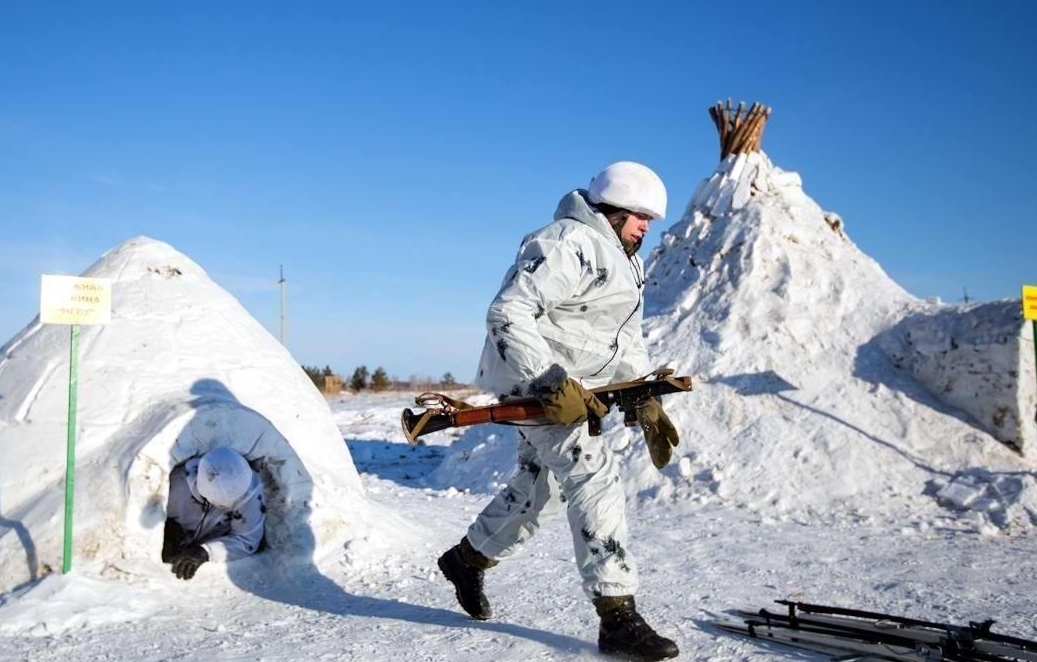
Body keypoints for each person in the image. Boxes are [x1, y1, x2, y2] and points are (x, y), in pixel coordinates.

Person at [437, 162, 681, 661]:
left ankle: (467, 560)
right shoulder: (567, 242)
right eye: (640, 215)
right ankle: (617, 615)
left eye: (650, 219)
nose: (646, 227)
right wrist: (549, 381)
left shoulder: (623, 256)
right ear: (612, 208)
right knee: (595, 476)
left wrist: (640, 390)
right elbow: (508, 312)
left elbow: (618, 336)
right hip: (544, 392)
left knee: (539, 489)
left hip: (578, 393)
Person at [162, 447, 267, 580]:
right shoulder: (174, 485)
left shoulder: (249, 491)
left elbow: (247, 540)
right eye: (223, 502)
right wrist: (165, 529)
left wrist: (205, 551)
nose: (232, 504)